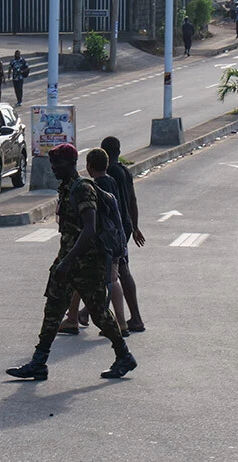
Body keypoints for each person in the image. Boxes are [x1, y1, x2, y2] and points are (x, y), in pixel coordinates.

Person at [5, 143, 137, 381]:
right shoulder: (66, 188)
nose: (54, 168)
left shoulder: (82, 189)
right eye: (52, 163)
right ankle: (39, 362)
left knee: (99, 314)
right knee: (53, 308)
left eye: (58, 164)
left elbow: (88, 230)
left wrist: (67, 262)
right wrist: (63, 262)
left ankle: (124, 355)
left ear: (71, 164)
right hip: (68, 259)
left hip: (87, 263)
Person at [58, 148, 130, 337]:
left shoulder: (93, 188)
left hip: (102, 241)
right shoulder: (111, 181)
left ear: (89, 167)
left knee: (106, 280)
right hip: (115, 237)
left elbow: (92, 220)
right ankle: (75, 317)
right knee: (88, 279)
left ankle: (118, 325)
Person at [101, 136, 146, 332]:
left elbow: (111, 204)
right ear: (119, 151)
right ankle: (133, 317)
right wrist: (134, 227)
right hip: (126, 225)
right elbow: (133, 200)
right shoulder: (125, 171)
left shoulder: (109, 173)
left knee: (116, 271)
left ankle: (133, 318)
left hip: (115, 228)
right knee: (120, 270)